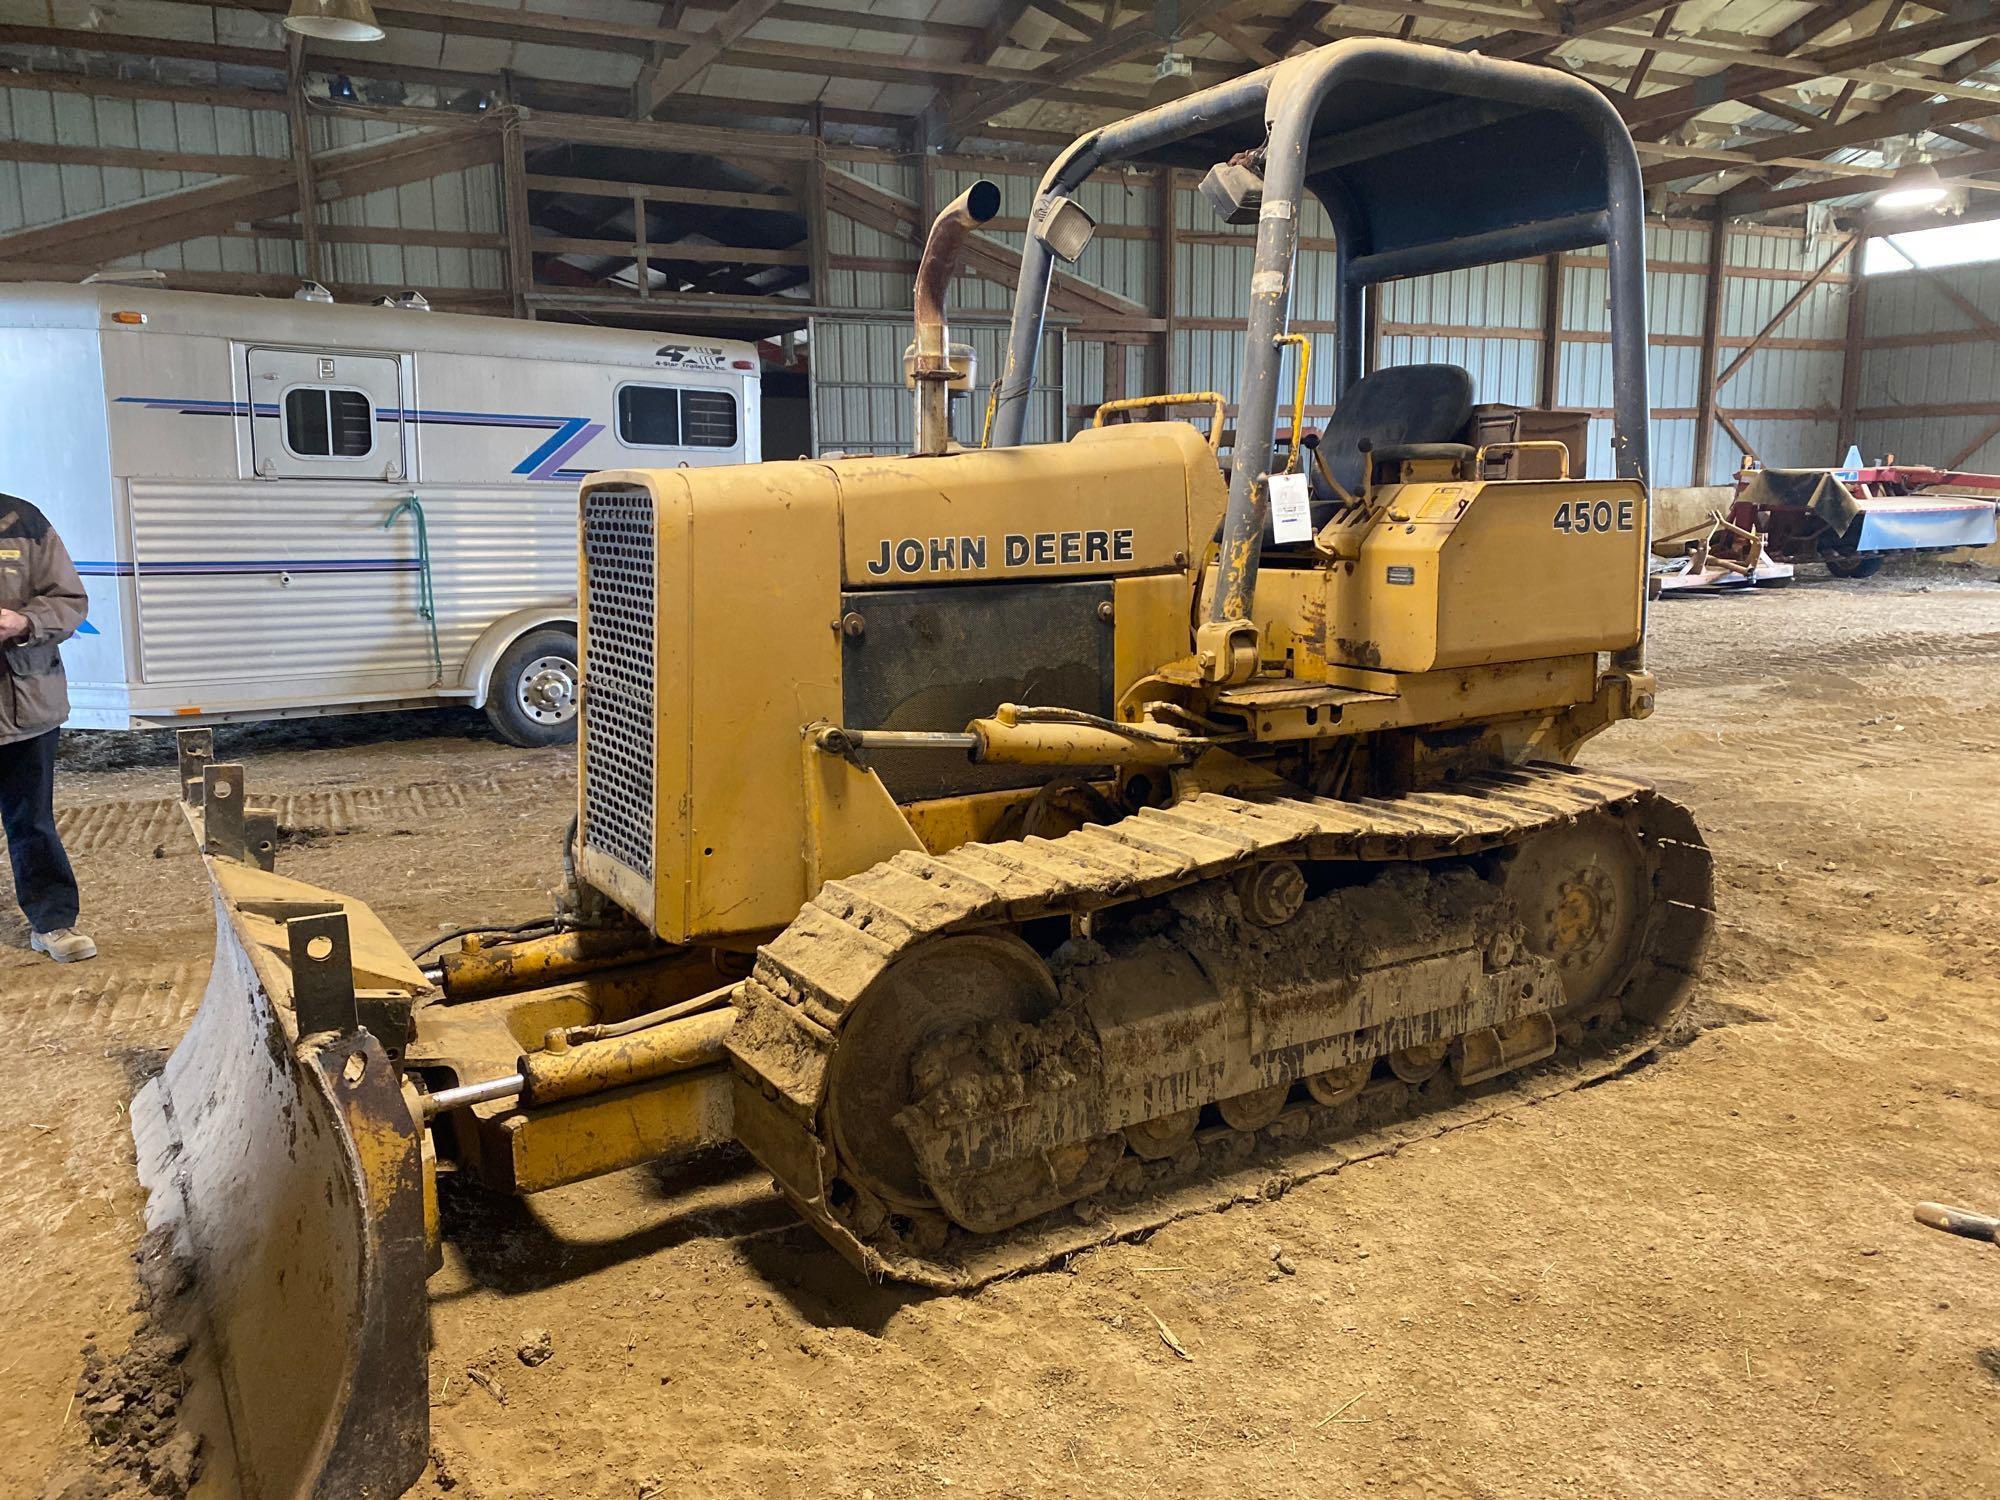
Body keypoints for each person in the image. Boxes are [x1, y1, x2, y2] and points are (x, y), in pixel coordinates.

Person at [0, 493, 94, 962]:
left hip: (25, 705)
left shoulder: (23, 521)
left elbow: (70, 600)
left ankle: (53, 922)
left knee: (31, 822)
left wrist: (23, 620)